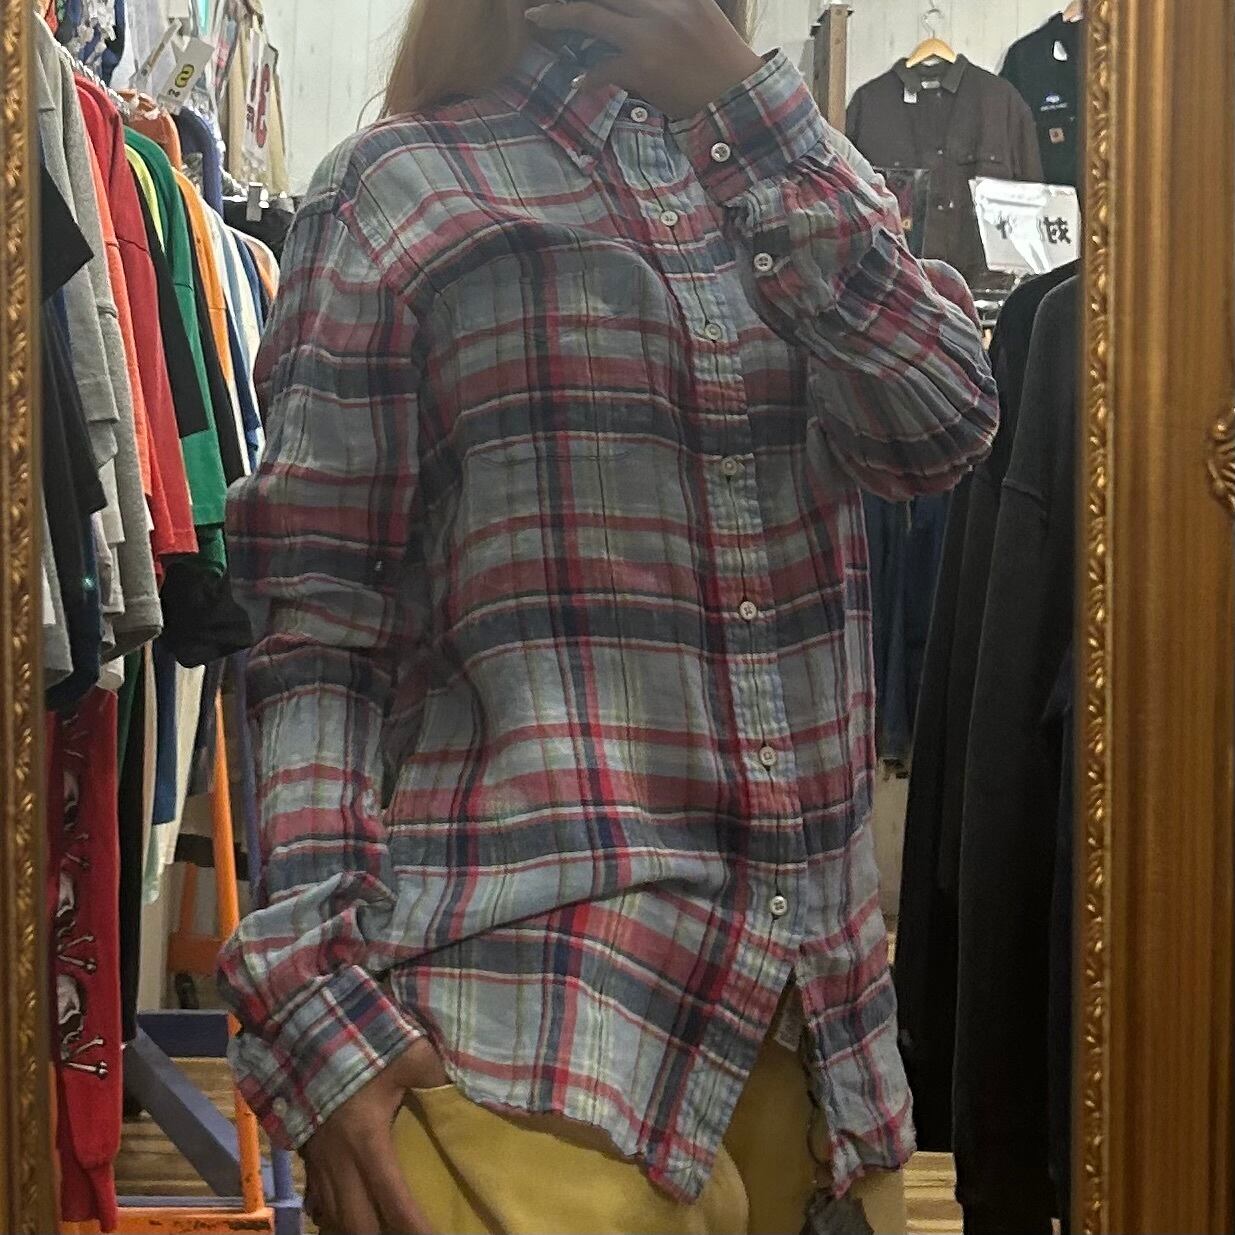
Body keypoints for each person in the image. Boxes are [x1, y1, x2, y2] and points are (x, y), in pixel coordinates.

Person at [219, 1, 999, 1231]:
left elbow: (940, 426)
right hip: (527, 1033)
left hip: (820, 1044)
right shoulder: (399, 188)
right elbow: (319, 624)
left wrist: (748, 112)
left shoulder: (801, 176)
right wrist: (314, 1006)